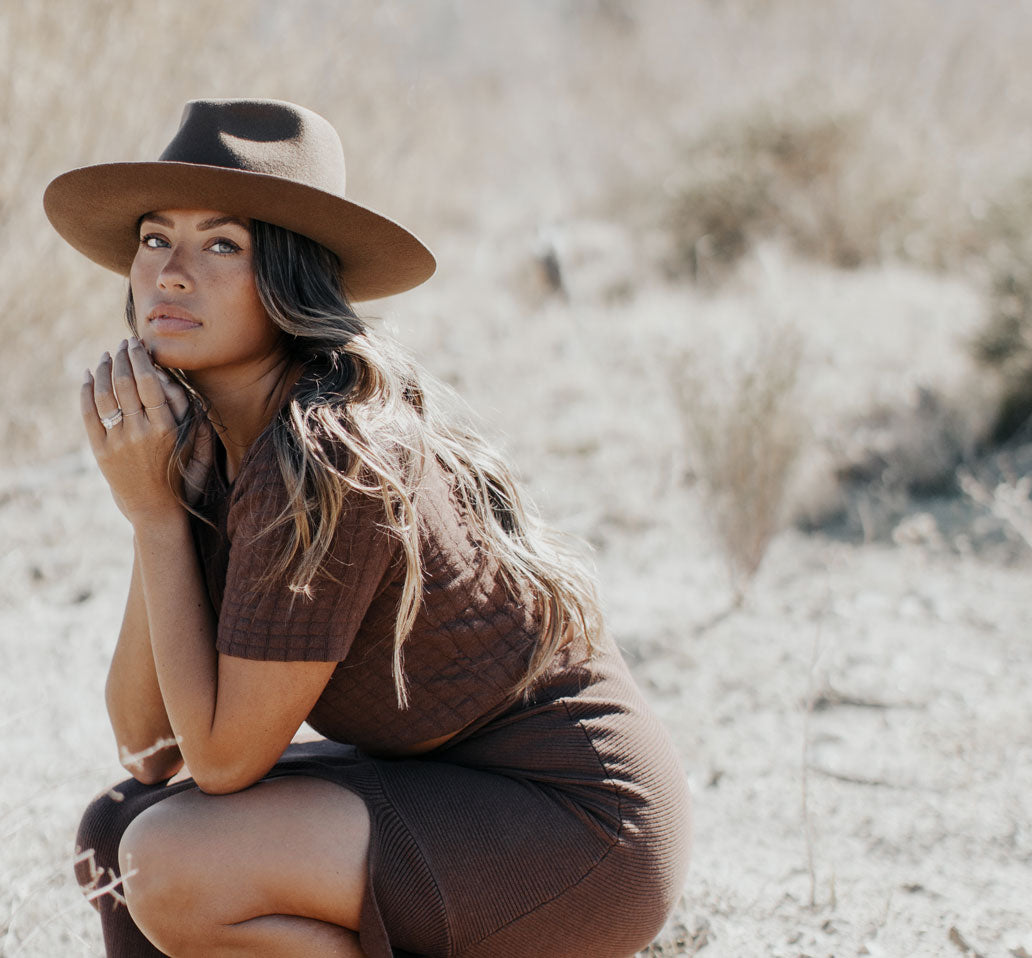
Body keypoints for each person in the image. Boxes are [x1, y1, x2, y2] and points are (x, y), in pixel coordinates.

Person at [44, 98, 691, 958]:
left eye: (222, 245)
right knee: (116, 833)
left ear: (291, 279)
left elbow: (224, 763)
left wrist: (156, 517)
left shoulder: (329, 452)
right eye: (156, 238)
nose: (169, 272)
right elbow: (150, 749)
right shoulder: (223, 444)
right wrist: (161, 505)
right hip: (449, 786)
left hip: (580, 827)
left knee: (169, 860)